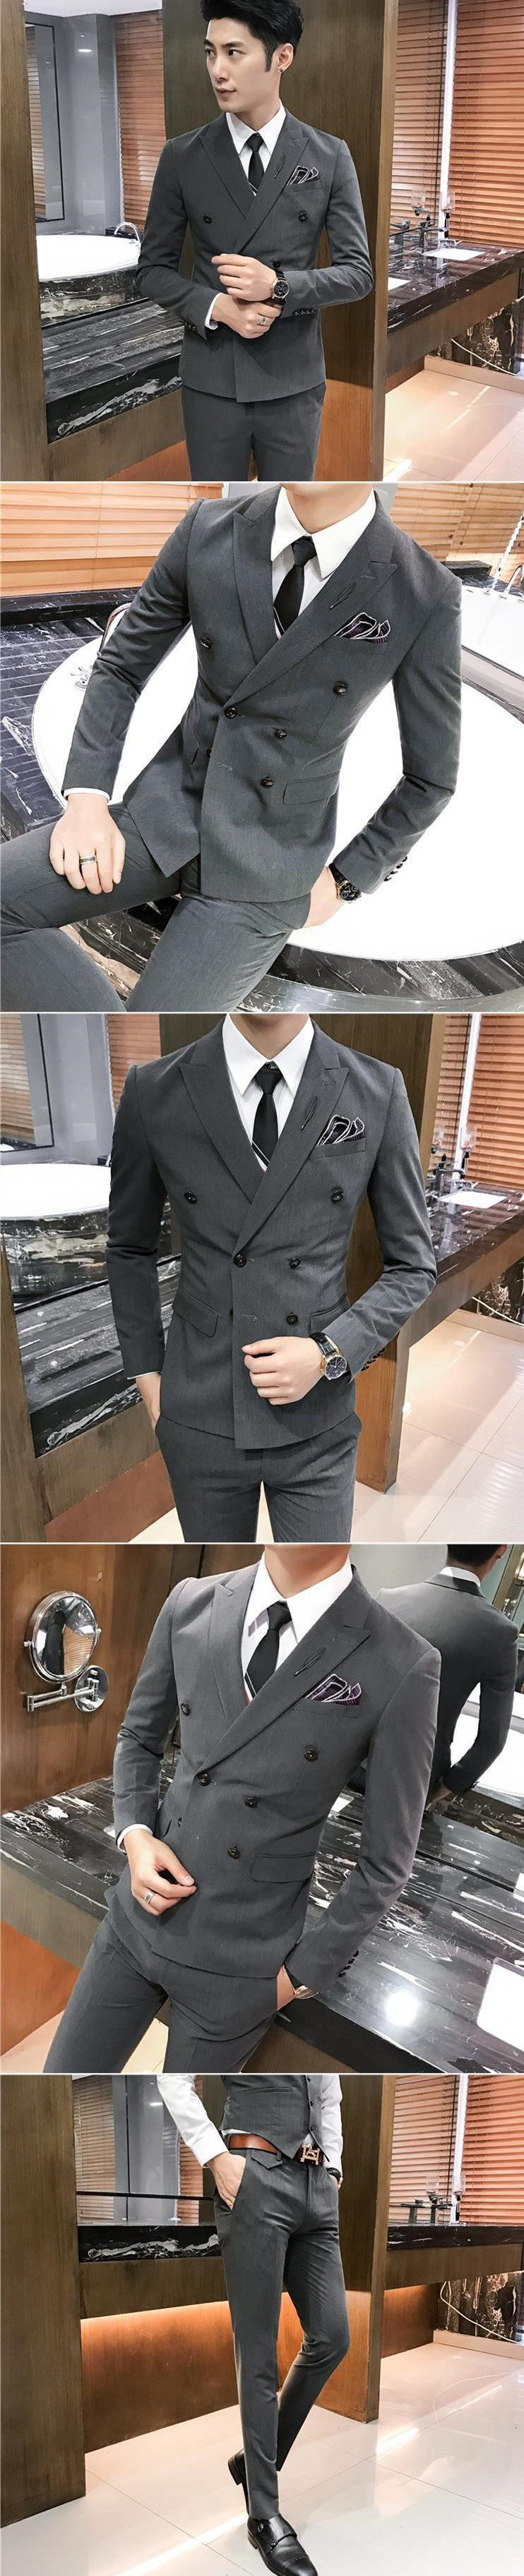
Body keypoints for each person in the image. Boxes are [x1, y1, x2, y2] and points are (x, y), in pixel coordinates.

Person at [1, 483, 462, 1015]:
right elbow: (121, 666)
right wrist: (86, 800)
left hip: (270, 858)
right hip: (168, 811)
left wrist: (348, 879)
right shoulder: (207, 529)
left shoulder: (425, 590)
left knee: (155, 1041)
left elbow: (432, 777)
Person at [43, 1542, 439, 2072]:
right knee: (64, 2080)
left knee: (187, 2120)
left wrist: (298, 1978)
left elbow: (387, 1863)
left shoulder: (403, 1660)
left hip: (241, 1965)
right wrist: (135, 1835)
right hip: (134, 1924)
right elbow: (139, 1737)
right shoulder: (191, 1602)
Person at [106, 1010, 436, 1537]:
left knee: (315, 1572)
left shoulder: (377, 1088)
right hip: (201, 1405)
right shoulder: (155, 1089)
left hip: (318, 1414)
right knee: (218, 1576)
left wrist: (329, 1352)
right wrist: (149, 1379)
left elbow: (413, 1267)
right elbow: (129, 1247)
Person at [136, 0, 373, 478]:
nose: (217, 71)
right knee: (216, 509)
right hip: (211, 378)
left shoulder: (329, 155)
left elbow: (358, 275)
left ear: (281, 57)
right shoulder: (183, 156)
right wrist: (216, 307)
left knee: (287, 506)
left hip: (293, 380)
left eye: (234, 53)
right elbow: (151, 271)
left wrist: (279, 286)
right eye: (210, 53)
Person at [158, 2072, 348, 2576]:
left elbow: (329, 2094)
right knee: (259, 2353)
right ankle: (263, 2515)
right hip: (254, 2174)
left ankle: (255, 2461)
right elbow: (174, 2078)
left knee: (333, 2336)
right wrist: (215, 2156)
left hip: (316, 2186)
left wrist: (333, 2169)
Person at [384, 1545, 518, 1801]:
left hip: (349, 1765)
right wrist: (447, 1786)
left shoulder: (389, 1600)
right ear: (501, 1551)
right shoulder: (500, 1633)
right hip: (418, 1779)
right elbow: (492, 1740)